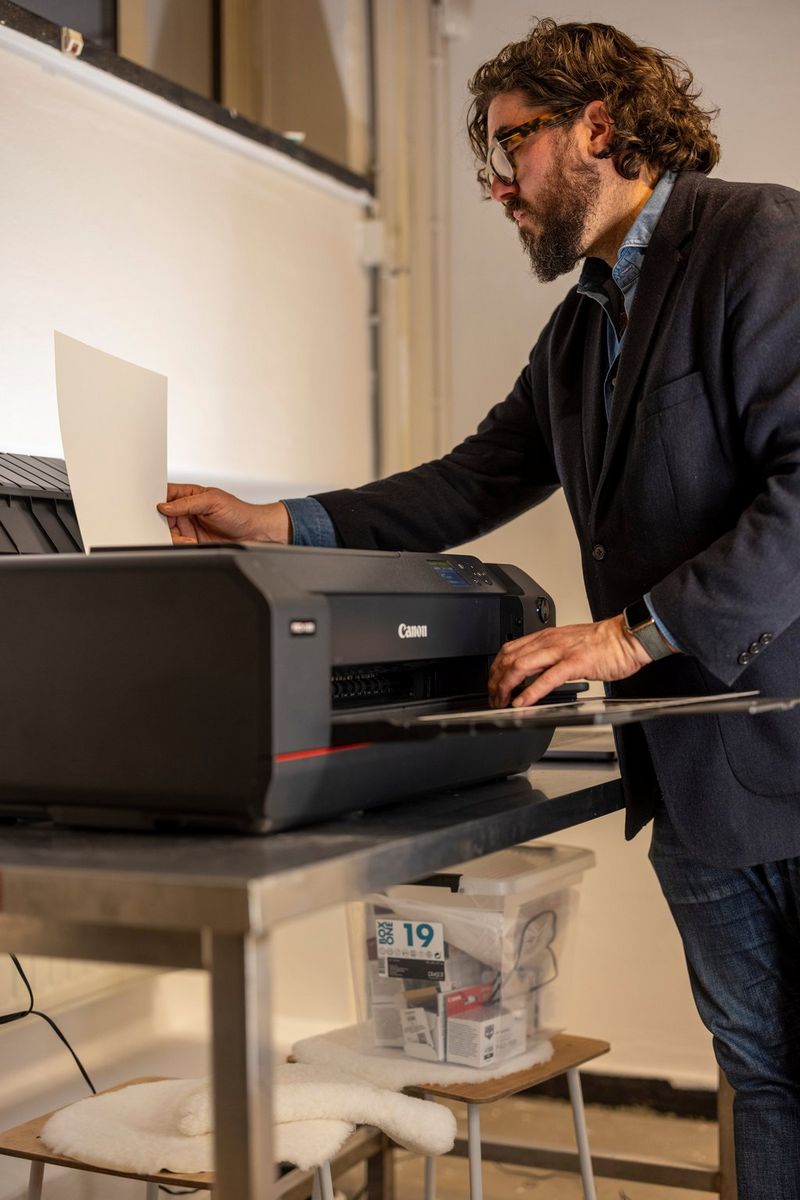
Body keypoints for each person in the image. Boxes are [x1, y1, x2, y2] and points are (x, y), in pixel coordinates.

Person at [159, 20, 800, 1196]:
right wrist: (276, 522)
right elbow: (468, 483)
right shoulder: (577, 331)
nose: (497, 183)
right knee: (759, 1067)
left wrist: (625, 634)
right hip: (696, 772)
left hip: (785, 734)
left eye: (513, 144)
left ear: (599, 127)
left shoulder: (757, 239)